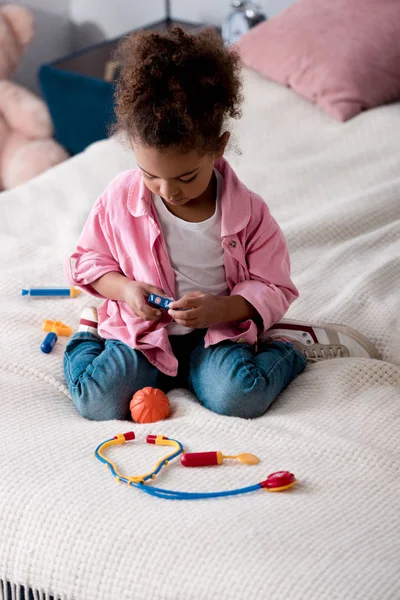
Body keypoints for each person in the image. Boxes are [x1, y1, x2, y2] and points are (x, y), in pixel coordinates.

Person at [64, 27, 378, 421]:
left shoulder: (248, 212)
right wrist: (125, 290)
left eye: (185, 177)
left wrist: (221, 308)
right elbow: (86, 262)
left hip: (217, 333)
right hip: (143, 335)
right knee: (97, 402)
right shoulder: (119, 199)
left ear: (218, 147)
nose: (168, 191)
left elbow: (274, 285)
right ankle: (87, 335)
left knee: (239, 398)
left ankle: (288, 348)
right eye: (150, 175)